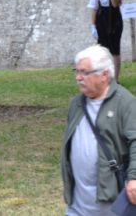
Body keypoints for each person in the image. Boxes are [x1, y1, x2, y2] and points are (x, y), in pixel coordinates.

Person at [61, 45, 136, 215]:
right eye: (77, 71)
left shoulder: (126, 103)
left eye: (85, 72)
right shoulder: (76, 104)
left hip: (111, 202)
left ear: (104, 75)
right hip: (78, 202)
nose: (78, 77)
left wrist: (134, 178)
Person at [88, 0, 123, 81]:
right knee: (102, 50)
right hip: (102, 20)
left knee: (115, 50)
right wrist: (93, 26)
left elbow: (115, 4)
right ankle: (103, 78)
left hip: (115, 20)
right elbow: (93, 7)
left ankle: (115, 80)